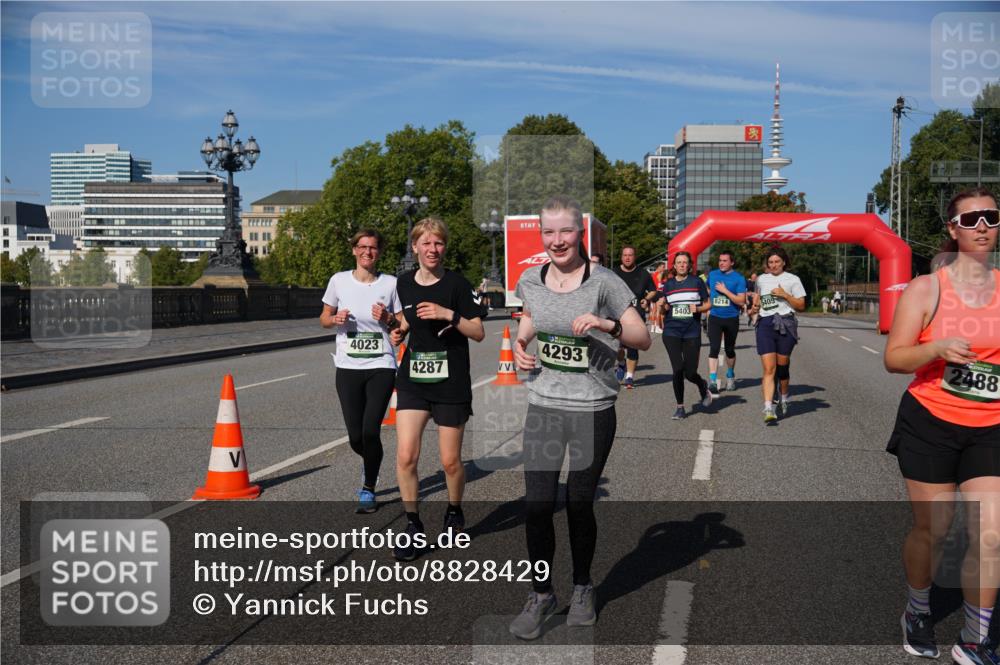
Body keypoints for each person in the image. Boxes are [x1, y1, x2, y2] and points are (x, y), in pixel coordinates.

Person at [508, 196, 649, 640]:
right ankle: (542, 593)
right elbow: (530, 319)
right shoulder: (531, 279)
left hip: (592, 409)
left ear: (579, 233)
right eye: (548, 233)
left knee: (578, 503)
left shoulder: (605, 283)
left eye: (564, 231)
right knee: (537, 505)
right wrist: (519, 345)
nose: (556, 240)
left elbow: (642, 338)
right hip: (545, 405)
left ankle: (584, 586)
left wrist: (607, 326)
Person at [884, 187, 1000, 665]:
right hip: (931, 420)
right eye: (969, 219)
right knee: (935, 528)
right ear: (952, 229)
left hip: (991, 425)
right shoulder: (927, 288)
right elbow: (895, 358)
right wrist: (934, 349)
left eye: (990, 217)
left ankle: (978, 636)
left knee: (989, 531)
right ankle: (918, 608)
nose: (981, 226)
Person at [387, 217, 486, 561]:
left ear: (445, 247)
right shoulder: (402, 284)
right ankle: (413, 525)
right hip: (413, 378)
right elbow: (404, 321)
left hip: (451, 381)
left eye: (438, 243)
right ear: (414, 247)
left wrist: (449, 314)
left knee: (450, 462)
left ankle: (454, 511)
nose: (432, 249)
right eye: (426, 243)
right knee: (405, 455)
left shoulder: (458, 284)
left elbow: (478, 332)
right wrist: (396, 331)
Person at [320, 229, 401, 514]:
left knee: (370, 429)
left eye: (373, 248)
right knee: (356, 436)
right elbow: (323, 318)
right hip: (347, 366)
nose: (368, 252)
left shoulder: (391, 284)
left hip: (381, 365)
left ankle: (368, 487)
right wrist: (335, 319)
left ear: (379, 252)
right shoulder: (339, 281)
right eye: (363, 247)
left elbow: (401, 325)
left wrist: (389, 319)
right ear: (354, 250)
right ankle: (372, 462)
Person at [749, 247, 806, 423]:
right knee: (768, 369)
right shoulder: (761, 279)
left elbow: (801, 305)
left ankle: (784, 395)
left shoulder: (793, 279)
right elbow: (758, 297)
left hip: (785, 324)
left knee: (782, 369)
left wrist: (785, 295)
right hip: (766, 324)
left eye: (777, 262)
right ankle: (768, 407)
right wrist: (755, 307)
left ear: (784, 263)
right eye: (770, 262)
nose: (773, 265)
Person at [656, 251, 713, 420]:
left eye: (685, 262)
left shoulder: (697, 282)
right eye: (679, 262)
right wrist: (661, 305)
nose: (682, 265)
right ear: (674, 266)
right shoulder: (668, 285)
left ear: (689, 266)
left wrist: (699, 309)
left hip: (691, 331)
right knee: (677, 369)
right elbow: (665, 308)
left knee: (690, 373)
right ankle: (680, 407)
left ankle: (702, 384)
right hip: (671, 331)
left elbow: (708, 303)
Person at [613, 245, 658, 389]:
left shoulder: (643, 273)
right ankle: (621, 364)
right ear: (621, 257)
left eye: (630, 255)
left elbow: (652, 291)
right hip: (617, 316)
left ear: (634, 257)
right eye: (625, 255)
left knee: (632, 347)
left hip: (636, 316)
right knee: (617, 347)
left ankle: (630, 377)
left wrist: (647, 299)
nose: (627, 258)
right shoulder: (614, 273)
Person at [705, 251, 747, 394]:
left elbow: (741, 301)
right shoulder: (713, 274)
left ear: (732, 262)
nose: (721, 263)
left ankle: (730, 375)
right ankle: (712, 380)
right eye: (720, 260)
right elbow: (706, 288)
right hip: (715, 317)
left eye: (725, 260)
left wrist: (725, 291)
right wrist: (709, 300)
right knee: (714, 348)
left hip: (731, 318)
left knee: (729, 350)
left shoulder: (739, 278)